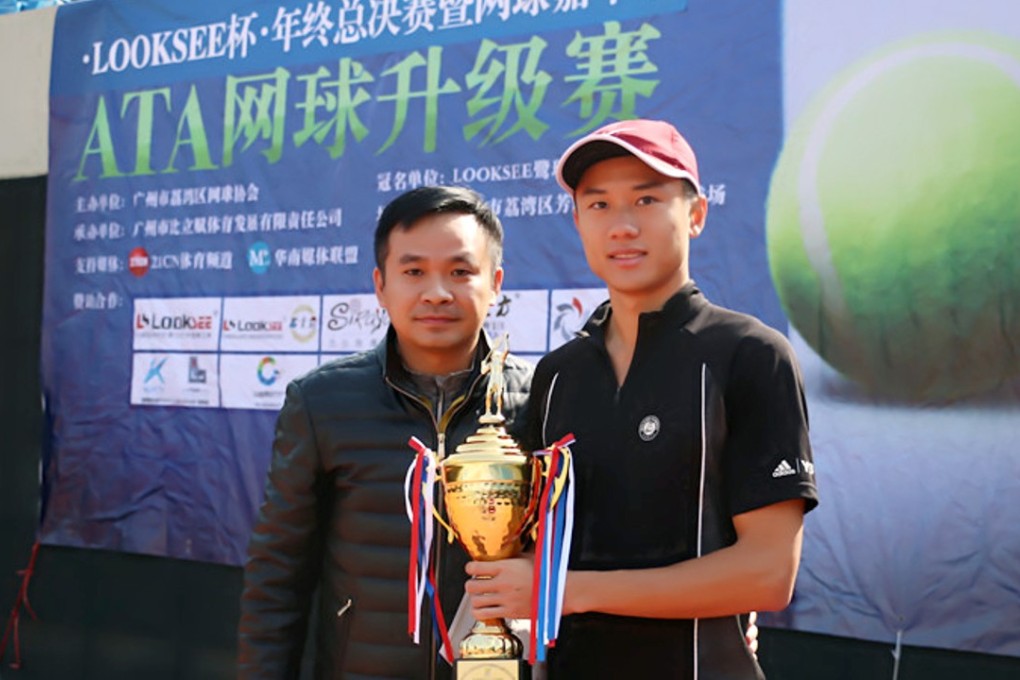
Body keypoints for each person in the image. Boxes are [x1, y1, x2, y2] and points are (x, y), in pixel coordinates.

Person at [464, 119, 819, 678]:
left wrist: (567, 591)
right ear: (577, 221)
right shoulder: (558, 375)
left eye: (647, 200)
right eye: (599, 204)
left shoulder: (751, 354)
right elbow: (532, 549)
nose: (623, 226)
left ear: (696, 214)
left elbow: (768, 574)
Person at [237, 185, 533, 679]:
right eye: (414, 272)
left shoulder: (539, 400)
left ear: (496, 282)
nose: (437, 293)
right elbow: (277, 575)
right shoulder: (322, 402)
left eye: (460, 272)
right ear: (380, 285)